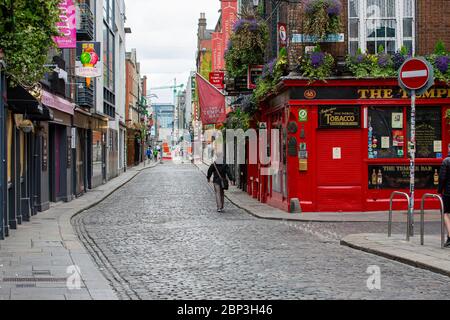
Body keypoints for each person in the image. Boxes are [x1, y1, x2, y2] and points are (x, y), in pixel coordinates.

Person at [437, 153, 450, 248]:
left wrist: (440, 190)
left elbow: (442, 178)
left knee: (445, 213)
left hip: (448, 192)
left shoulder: (446, 161)